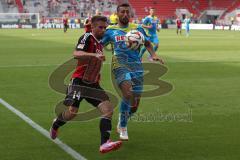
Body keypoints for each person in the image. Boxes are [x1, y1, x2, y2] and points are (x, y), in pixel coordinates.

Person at [50, 15, 122, 154]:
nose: (103, 30)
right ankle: (56, 124)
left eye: (105, 28)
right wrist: (93, 56)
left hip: (93, 84)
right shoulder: (87, 37)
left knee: (108, 109)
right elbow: (76, 53)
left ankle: (104, 143)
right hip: (79, 82)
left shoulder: (100, 44)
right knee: (73, 112)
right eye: (100, 27)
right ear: (93, 27)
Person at [101, 3, 164, 141]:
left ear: (130, 14)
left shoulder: (137, 28)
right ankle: (123, 127)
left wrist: (153, 54)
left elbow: (147, 43)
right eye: (122, 12)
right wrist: (95, 55)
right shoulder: (110, 30)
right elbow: (99, 44)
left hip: (136, 66)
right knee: (128, 93)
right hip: (119, 64)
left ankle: (122, 119)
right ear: (117, 14)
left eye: (127, 12)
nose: (125, 14)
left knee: (134, 106)